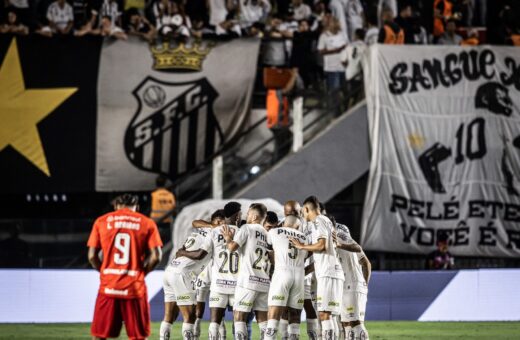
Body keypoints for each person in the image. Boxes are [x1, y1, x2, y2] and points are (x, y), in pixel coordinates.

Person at [87, 194, 163, 340]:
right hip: (135, 287)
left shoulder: (101, 221)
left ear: (116, 206)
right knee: (139, 336)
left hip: (108, 287)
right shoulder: (146, 223)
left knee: (99, 335)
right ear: (137, 208)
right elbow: (157, 256)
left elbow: (91, 256)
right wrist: (142, 272)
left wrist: (104, 271)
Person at [290, 196, 344, 340]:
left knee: (325, 315)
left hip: (328, 272)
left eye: (303, 211)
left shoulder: (319, 220)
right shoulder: (324, 221)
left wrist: (301, 246)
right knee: (328, 315)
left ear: (307, 209)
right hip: (329, 271)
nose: (303, 215)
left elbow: (321, 245)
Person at [221, 203, 271, 339]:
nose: (246, 216)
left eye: (248, 213)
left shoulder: (247, 228)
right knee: (263, 321)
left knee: (239, 317)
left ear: (254, 216)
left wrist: (227, 238)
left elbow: (232, 247)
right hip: (264, 282)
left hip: (248, 281)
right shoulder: (268, 234)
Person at [161, 222, 214, 339]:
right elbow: (199, 255)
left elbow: (195, 222)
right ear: (218, 222)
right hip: (182, 274)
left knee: (169, 316)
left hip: (170, 270)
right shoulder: (213, 234)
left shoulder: (197, 233)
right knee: (190, 316)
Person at [264, 215, 308, 340]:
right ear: (298, 226)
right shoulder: (304, 237)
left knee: (274, 314)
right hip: (299, 276)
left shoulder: (273, 231)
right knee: (294, 315)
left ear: (283, 223)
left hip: (282, 272)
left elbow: (269, 251)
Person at [193, 210, 226, 340]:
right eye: (218, 221)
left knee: (219, 303)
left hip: (219, 270)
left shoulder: (225, 231)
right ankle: (196, 326)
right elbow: (194, 223)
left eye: (223, 221)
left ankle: (221, 332)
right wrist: (211, 225)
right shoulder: (207, 229)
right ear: (212, 221)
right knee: (199, 300)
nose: (221, 223)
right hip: (204, 269)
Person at [335, 222, 371, 340]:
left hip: (354, 284)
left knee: (356, 324)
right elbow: (366, 263)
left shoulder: (344, 242)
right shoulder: (349, 241)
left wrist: (364, 285)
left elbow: (367, 264)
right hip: (345, 286)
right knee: (347, 326)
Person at [318, 16, 347, 116]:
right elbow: (321, 51)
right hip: (332, 68)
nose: (333, 24)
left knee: (345, 89)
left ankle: (346, 108)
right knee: (335, 90)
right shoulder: (324, 36)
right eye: (331, 22)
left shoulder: (341, 34)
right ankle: (337, 112)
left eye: (334, 22)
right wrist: (335, 51)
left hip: (343, 66)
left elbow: (347, 47)